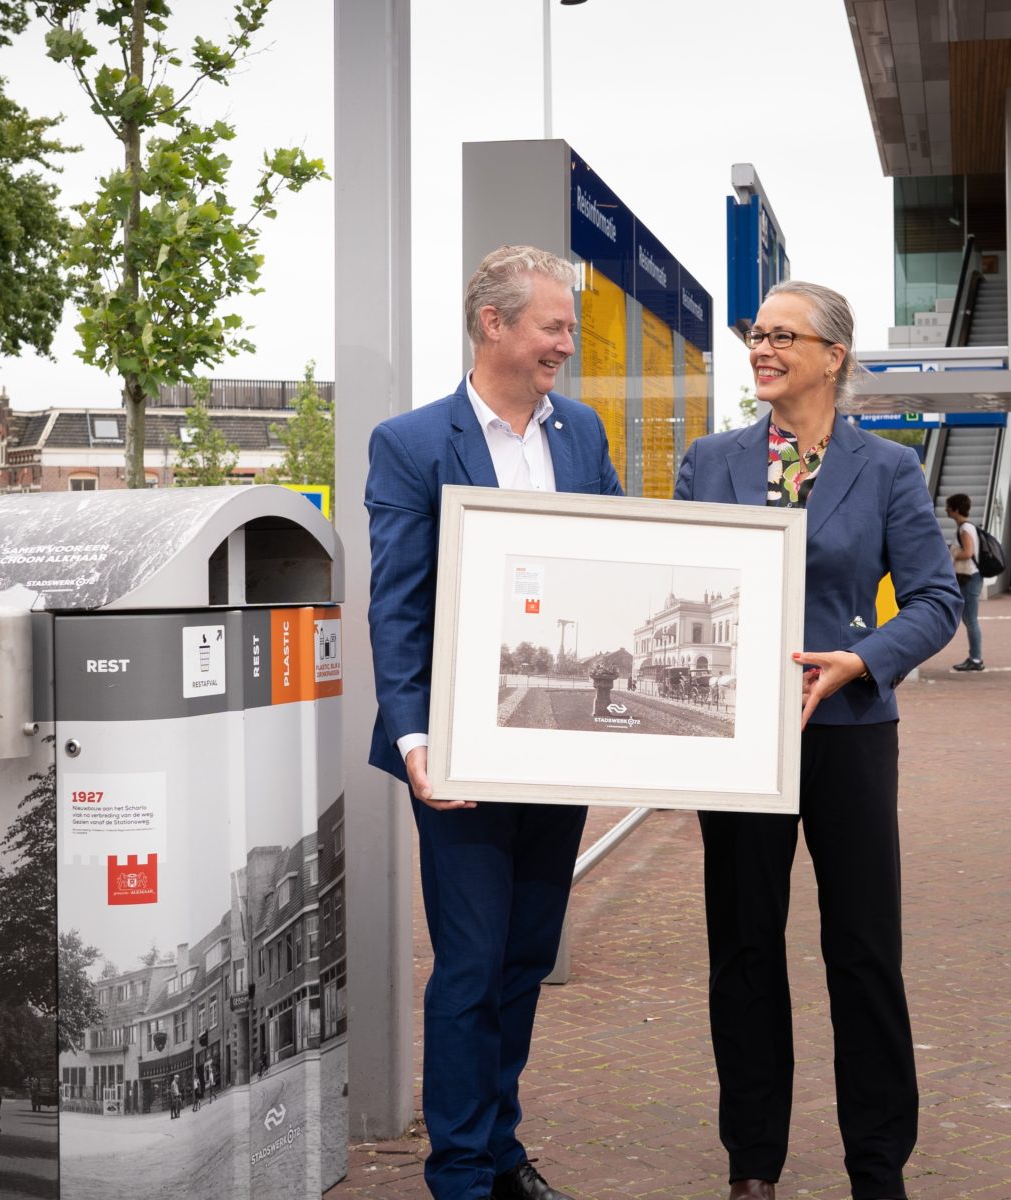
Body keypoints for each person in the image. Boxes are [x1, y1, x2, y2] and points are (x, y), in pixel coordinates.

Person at [674, 279, 961, 1200]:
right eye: (757, 334)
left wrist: (863, 661)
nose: (762, 348)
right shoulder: (707, 462)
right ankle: (751, 1165)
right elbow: (671, 584)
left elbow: (935, 601)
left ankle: (878, 1166)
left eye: (782, 336)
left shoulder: (887, 471)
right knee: (745, 952)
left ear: (833, 355)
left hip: (847, 732)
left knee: (864, 951)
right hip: (739, 742)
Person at [365, 244, 623, 1200]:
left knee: (523, 956)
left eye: (566, 328)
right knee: (470, 964)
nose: (566, 343)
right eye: (553, 326)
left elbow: (605, 570)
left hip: (555, 753)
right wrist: (415, 741)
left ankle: (500, 1148)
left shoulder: (583, 434)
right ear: (494, 325)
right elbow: (396, 605)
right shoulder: (414, 442)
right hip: (461, 753)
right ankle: (462, 1174)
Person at [946, 493, 984, 672]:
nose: (946, 509)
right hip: (968, 578)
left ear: (955, 509)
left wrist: (952, 555)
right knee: (969, 619)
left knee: (971, 619)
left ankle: (976, 659)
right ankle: (974, 657)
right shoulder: (966, 527)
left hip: (969, 578)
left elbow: (968, 553)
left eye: (948, 506)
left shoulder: (965, 529)